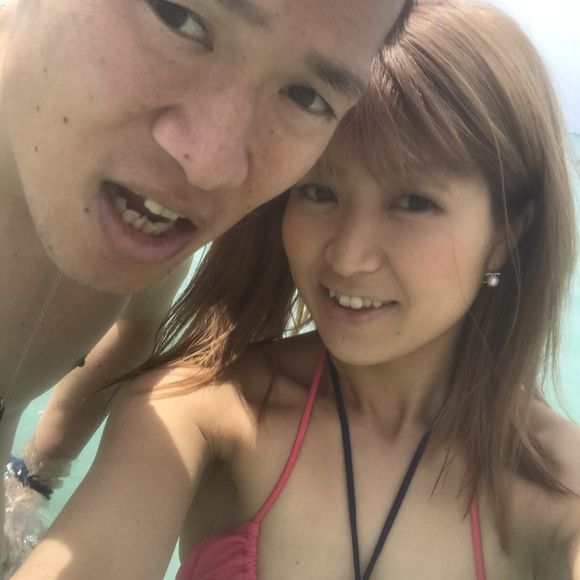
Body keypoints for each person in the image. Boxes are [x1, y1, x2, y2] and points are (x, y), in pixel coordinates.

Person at [12, 0, 580, 578]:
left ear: (506, 233)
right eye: (319, 192)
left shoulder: (560, 494)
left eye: (414, 202)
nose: (347, 256)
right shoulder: (206, 409)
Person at [0, 0, 412, 573]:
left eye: (305, 96)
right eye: (177, 15)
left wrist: (33, 477)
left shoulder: (138, 206)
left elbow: (136, 330)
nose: (209, 166)